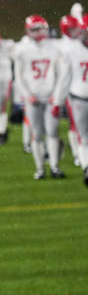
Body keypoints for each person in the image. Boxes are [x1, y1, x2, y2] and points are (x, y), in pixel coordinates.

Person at [14, 15, 67, 180]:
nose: (37, 33)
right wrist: (27, 95)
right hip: (33, 98)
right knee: (36, 134)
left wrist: (56, 96)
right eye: (34, 29)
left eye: (40, 29)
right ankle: (39, 169)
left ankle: (54, 166)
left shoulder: (54, 47)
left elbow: (61, 74)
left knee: (52, 132)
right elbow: (18, 75)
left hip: (50, 96)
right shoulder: (21, 49)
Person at [56, 19, 88, 187]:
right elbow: (64, 78)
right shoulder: (71, 50)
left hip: (78, 95)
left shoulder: (72, 50)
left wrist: (57, 102)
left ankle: (85, 165)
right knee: (82, 134)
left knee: (83, 135)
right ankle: (86, 166)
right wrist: (58, 101)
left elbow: (64, 78)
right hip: (78, 97)